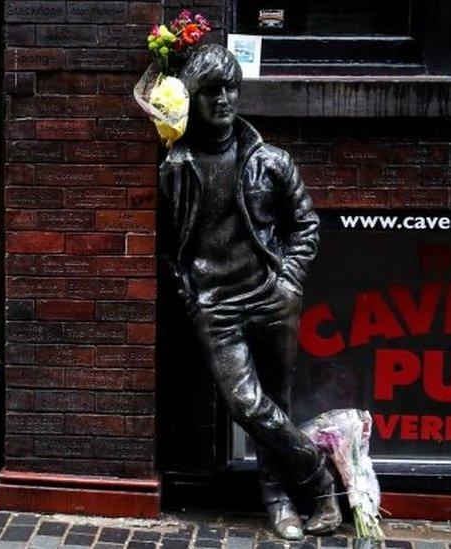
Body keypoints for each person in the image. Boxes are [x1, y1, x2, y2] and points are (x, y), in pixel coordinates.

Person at [157, 44, 340, 541]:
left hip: (271, 297)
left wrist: (288, 281)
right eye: (211, 90)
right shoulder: (178, 167)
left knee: (273, 405)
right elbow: (171, 247)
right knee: (248, 404)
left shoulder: (271, 161)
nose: (223, 99)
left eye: (230, 88)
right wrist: (191, 295)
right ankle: (320, 482)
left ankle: (280, 504)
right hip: (215, 306)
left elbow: (306, 226)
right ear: (192, 97)